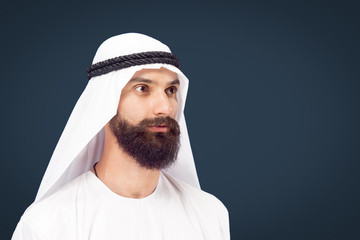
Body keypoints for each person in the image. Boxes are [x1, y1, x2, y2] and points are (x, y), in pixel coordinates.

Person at [12, 33, 230, 239]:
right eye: (142, 88)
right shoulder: (49, 224)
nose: (164, 107)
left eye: (170, 91)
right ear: (105, 103)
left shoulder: (210, 214)